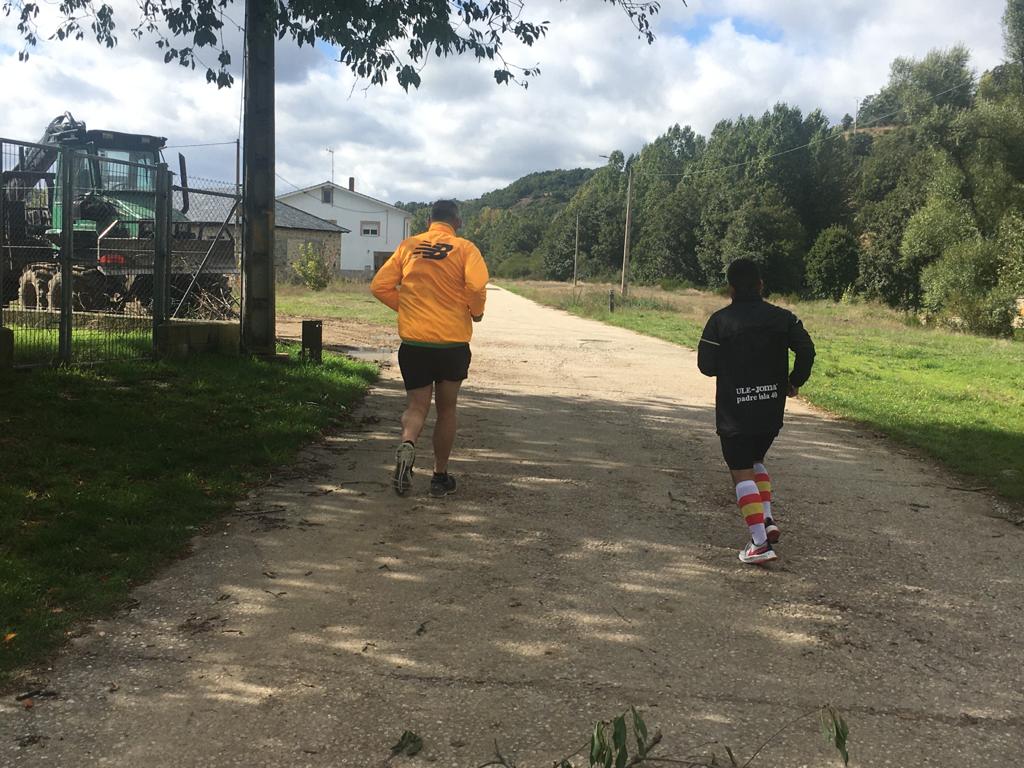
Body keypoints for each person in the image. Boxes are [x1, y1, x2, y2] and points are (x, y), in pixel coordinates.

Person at [697, 258, 815, 564]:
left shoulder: (719, 321)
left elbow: (706, 366)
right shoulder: (784, 318)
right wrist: (794, 381)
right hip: (771, 407)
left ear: (730, 288)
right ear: (761, 285)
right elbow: (806, 350)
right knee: (756, 460)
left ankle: (760, 543)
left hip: (734, 410)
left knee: (741, 471)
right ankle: (767, 519)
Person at [370, 199, 489, 498]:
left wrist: (408, 308)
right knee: (447, 411)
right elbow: (475, 288)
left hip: (415, 344)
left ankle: (407, 444)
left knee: (416, 407)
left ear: (429, 221)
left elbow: (379, 286)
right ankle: (439, 478)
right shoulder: (465, 249)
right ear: (457, 222)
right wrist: (475, 312)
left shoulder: (409, 247)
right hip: (451, 344)